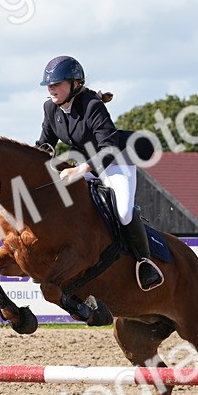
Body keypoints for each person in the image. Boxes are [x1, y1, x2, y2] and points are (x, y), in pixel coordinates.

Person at [34, 55, 163, 291]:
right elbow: (45, 145)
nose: (51, 89)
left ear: (74, 84)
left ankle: (146, 263)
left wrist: (81, 170)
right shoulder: (50, 108)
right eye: (49, 85)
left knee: (123, 212)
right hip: (84, 163)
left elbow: (109, 148)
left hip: (115, 161)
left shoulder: (92, 106)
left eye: (57, 84)